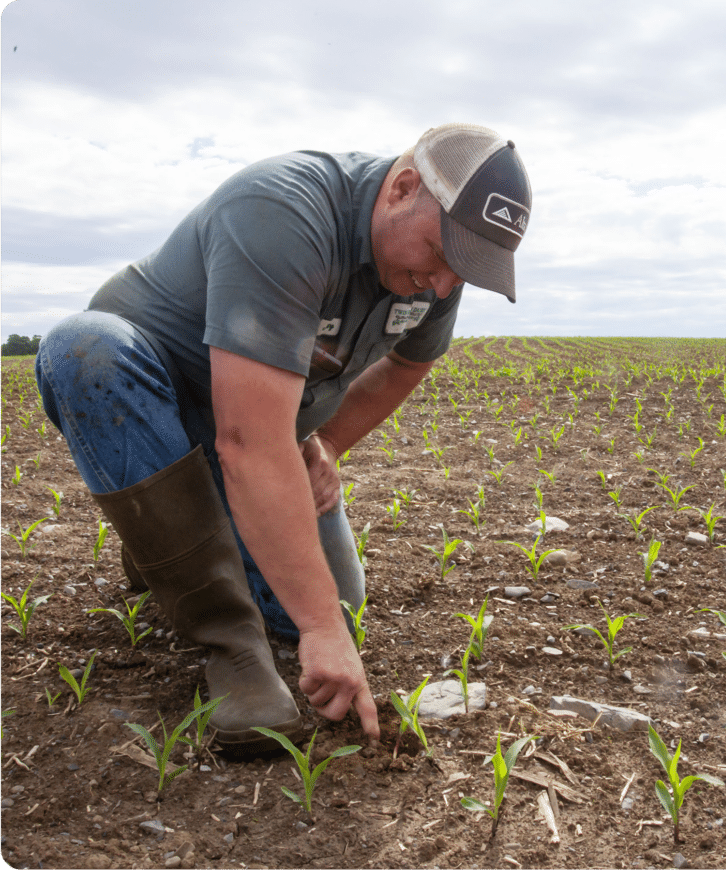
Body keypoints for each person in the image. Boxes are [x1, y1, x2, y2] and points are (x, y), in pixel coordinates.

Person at [35, 122, 532, 750]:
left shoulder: (434, 273)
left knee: (333, 607)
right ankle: (230, 644)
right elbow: (247, 442)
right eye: (442, 254)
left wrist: (325, 445)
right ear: (403, 189)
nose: (444, 285)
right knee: (84, 347)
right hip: (161, 406)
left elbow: (408, 363)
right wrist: (321, 628)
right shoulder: (283, 210)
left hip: (260, 430)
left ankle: (171, 535)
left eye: (465, 268)